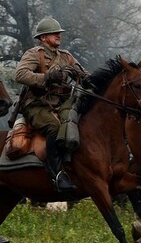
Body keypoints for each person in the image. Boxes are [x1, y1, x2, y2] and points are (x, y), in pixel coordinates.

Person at [14, 17, 87, 192]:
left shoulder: (66, 56)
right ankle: (56, 174)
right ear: (43, 37)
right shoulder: (34, 54)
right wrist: (46, 77)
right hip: (37, 105)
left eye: (59, 33)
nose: (58, 36)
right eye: (54, 33)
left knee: (80, 122)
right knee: (54, 127)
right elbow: (20, 75)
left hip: (61, 104)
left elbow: (84, 75)